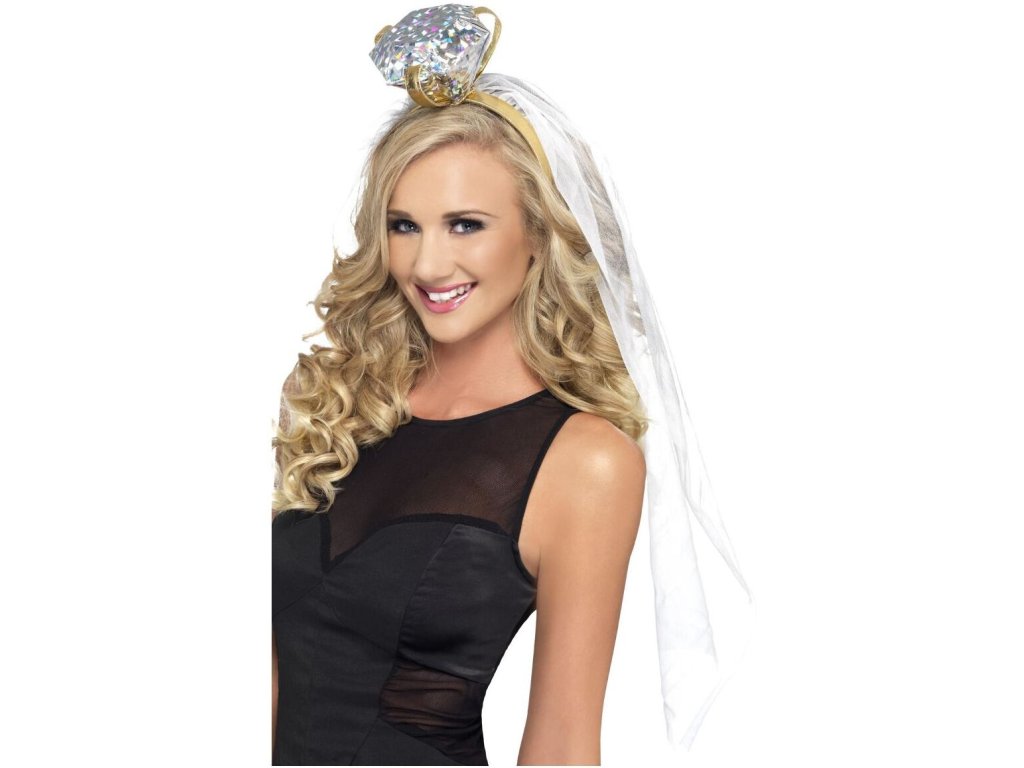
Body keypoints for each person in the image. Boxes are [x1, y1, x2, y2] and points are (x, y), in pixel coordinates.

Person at [272, 5, 753, 766]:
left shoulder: (585, 460)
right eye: (404, 225)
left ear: (539, 233)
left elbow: (562, 742)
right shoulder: (335, 403)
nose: (428, 264)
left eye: (465, 224)